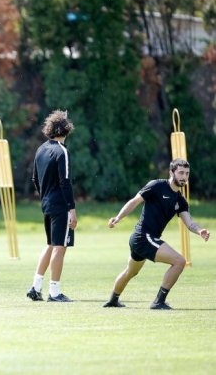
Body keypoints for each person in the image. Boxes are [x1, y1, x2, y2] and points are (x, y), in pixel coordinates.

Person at [103, 159, 210, 310]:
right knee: (179, 261)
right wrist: (118, 218)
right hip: (142, 236)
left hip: (145, 239)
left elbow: (189, 223)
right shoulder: (157, 185)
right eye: (180, 173)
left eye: (186, 174)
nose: (184, 177)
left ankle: (113, 300)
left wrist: (199, 230)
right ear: (171, 172)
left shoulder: (180, 200)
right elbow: (134, 201)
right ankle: (159, 301)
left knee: (130, 272)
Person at [27, 110, 77, 302]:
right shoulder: (62, 151)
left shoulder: (40, 149)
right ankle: (54, 292)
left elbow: (35, 179)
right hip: (60, 205)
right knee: (59, 246)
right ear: (66, 130)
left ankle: (35, 287)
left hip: (46, 203)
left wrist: (45, 196)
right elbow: (65, 182)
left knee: (50, 245)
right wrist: (71, 209)